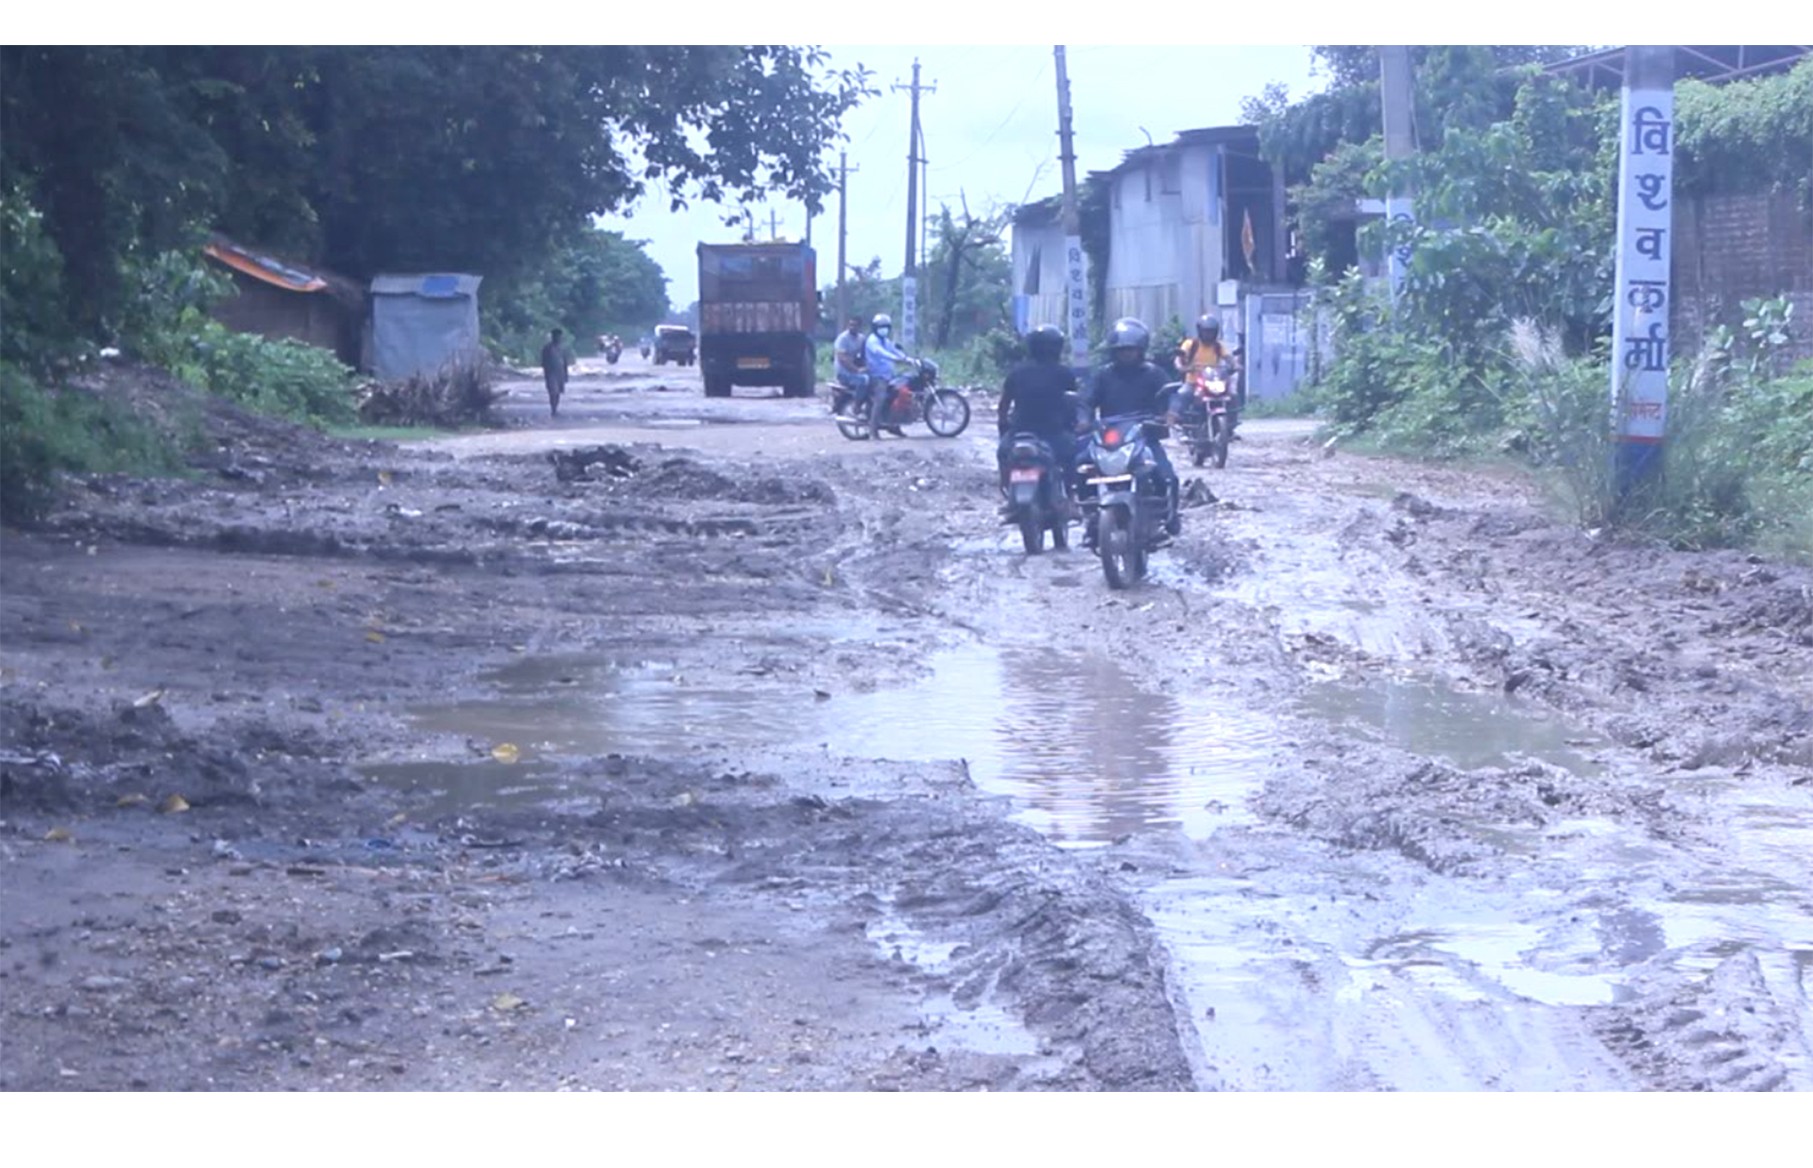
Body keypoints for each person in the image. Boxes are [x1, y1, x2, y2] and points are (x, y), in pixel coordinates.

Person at [1076, 316, 1182, 543]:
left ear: (1141, 350)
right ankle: (1092, 519)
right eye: (1122, 350)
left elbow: (1172, 395)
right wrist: (1083, 420)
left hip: (1144, 436)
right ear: (1114, 351)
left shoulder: (1154, 373)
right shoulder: (1103, 375)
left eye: (1131, 350)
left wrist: (1170, 413)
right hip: (1110, 438)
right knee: (1080, 469)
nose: (1126, 354)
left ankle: (1164, 520)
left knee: (1166, 476)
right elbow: (1086, 401)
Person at [996, 323, 1080, 515]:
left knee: (1003, 454)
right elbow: (1073, 404)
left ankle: (1008, 494)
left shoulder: (1016, 372)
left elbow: (1004, 405)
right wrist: (1073, 424)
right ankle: (1071, 499)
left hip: (1020, 432)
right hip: (1053, 433)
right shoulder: (1064, 373)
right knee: (1070, 457)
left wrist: (1003, 425)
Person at [1174, 314, 1241, 438]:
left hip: (1214, 381)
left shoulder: (1218, 346)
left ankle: (1230, 426)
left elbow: (1229, 358)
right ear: (1200, 331)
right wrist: (1183, 367)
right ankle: (1182, 426)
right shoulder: (1190, 344)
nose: (1208, 335)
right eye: (1205, 332)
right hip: (1193, 382)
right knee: (1183, 394)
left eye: (1210, 332)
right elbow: (1179, 358)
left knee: (1233, 395)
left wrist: (1235, 365)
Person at [863, 313, 910, 436]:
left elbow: (894, 350)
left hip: (889, 375)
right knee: (880, 399)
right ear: (875, 327)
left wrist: (908, 359)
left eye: (886, 327)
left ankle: (894, 424)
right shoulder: (872, 341)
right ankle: (873, 430)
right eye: (881, 327)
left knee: (900, 393)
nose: (884, 329)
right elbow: (882, 353)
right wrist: (895, 358)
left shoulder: (885, 340)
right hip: (877, 376)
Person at [833, 315, 871, 420]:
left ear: (860, 327)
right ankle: (857, 406)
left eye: (855, 325)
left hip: (855, 370)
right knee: (864, 380)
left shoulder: (861, 338)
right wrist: (857, 370)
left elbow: (866, 354)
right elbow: (842, 359)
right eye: (850, 325)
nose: (852, 327)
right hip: (844, 372)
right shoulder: (842, 339)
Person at [540, 328, 571, 417]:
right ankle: (553, 409)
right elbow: (544, 362)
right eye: (556, 336)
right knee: (553, 392)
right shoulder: (547, 348)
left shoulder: (562, 348)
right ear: (553, 337)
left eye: (559, 337)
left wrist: (566, 375)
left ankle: (555, 408)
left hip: (560, 373)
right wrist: (546, 373)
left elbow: (565, 362)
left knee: (558, 393)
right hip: (551, 373)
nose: (558, 338)